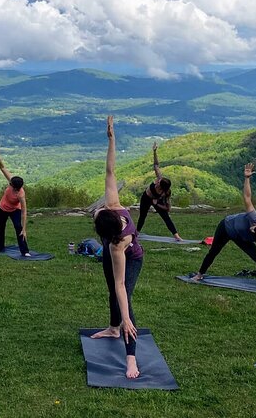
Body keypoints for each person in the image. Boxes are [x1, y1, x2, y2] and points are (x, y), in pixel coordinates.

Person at [91, 115, 145, 379]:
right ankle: (113, 328)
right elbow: (110, 171)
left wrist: (126, 317)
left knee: (123, 299)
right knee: (111, 291)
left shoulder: (118, 245)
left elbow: (122, 285)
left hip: (131, 259)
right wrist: (112, 139)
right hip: (113, 253)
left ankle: (131, 356)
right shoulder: (113, 206)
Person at [191, 163, 256, 295]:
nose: (254, 229)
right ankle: (199, 274)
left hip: (241, 238)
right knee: (213, 252)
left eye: (255, 233)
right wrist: (247, 178)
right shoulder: (254, 218)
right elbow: (247, 197)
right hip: (226, 227)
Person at [136, 141, 182, 240]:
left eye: (158, 184)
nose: (156, 183)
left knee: (166, 217)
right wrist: (154, 151)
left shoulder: (166, 193)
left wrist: (156, 204)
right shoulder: (159, 178)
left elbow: (168, 208)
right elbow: (156, 165)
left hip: (156, 201)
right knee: (142, 216)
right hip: (146, 198)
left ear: (162, 188)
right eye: (157, 182)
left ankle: (177, 236)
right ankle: (136, 234)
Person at [0, 147, 30, 257]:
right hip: (2, 208)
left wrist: (24, 229)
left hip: (14, 210)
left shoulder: (21, 194)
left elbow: (24, 212)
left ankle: (25, 251)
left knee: (19, 228)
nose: (10, 186)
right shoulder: (12, 180)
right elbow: (2, 168)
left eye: (12, 186)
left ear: (17, 187)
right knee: (1, 228)